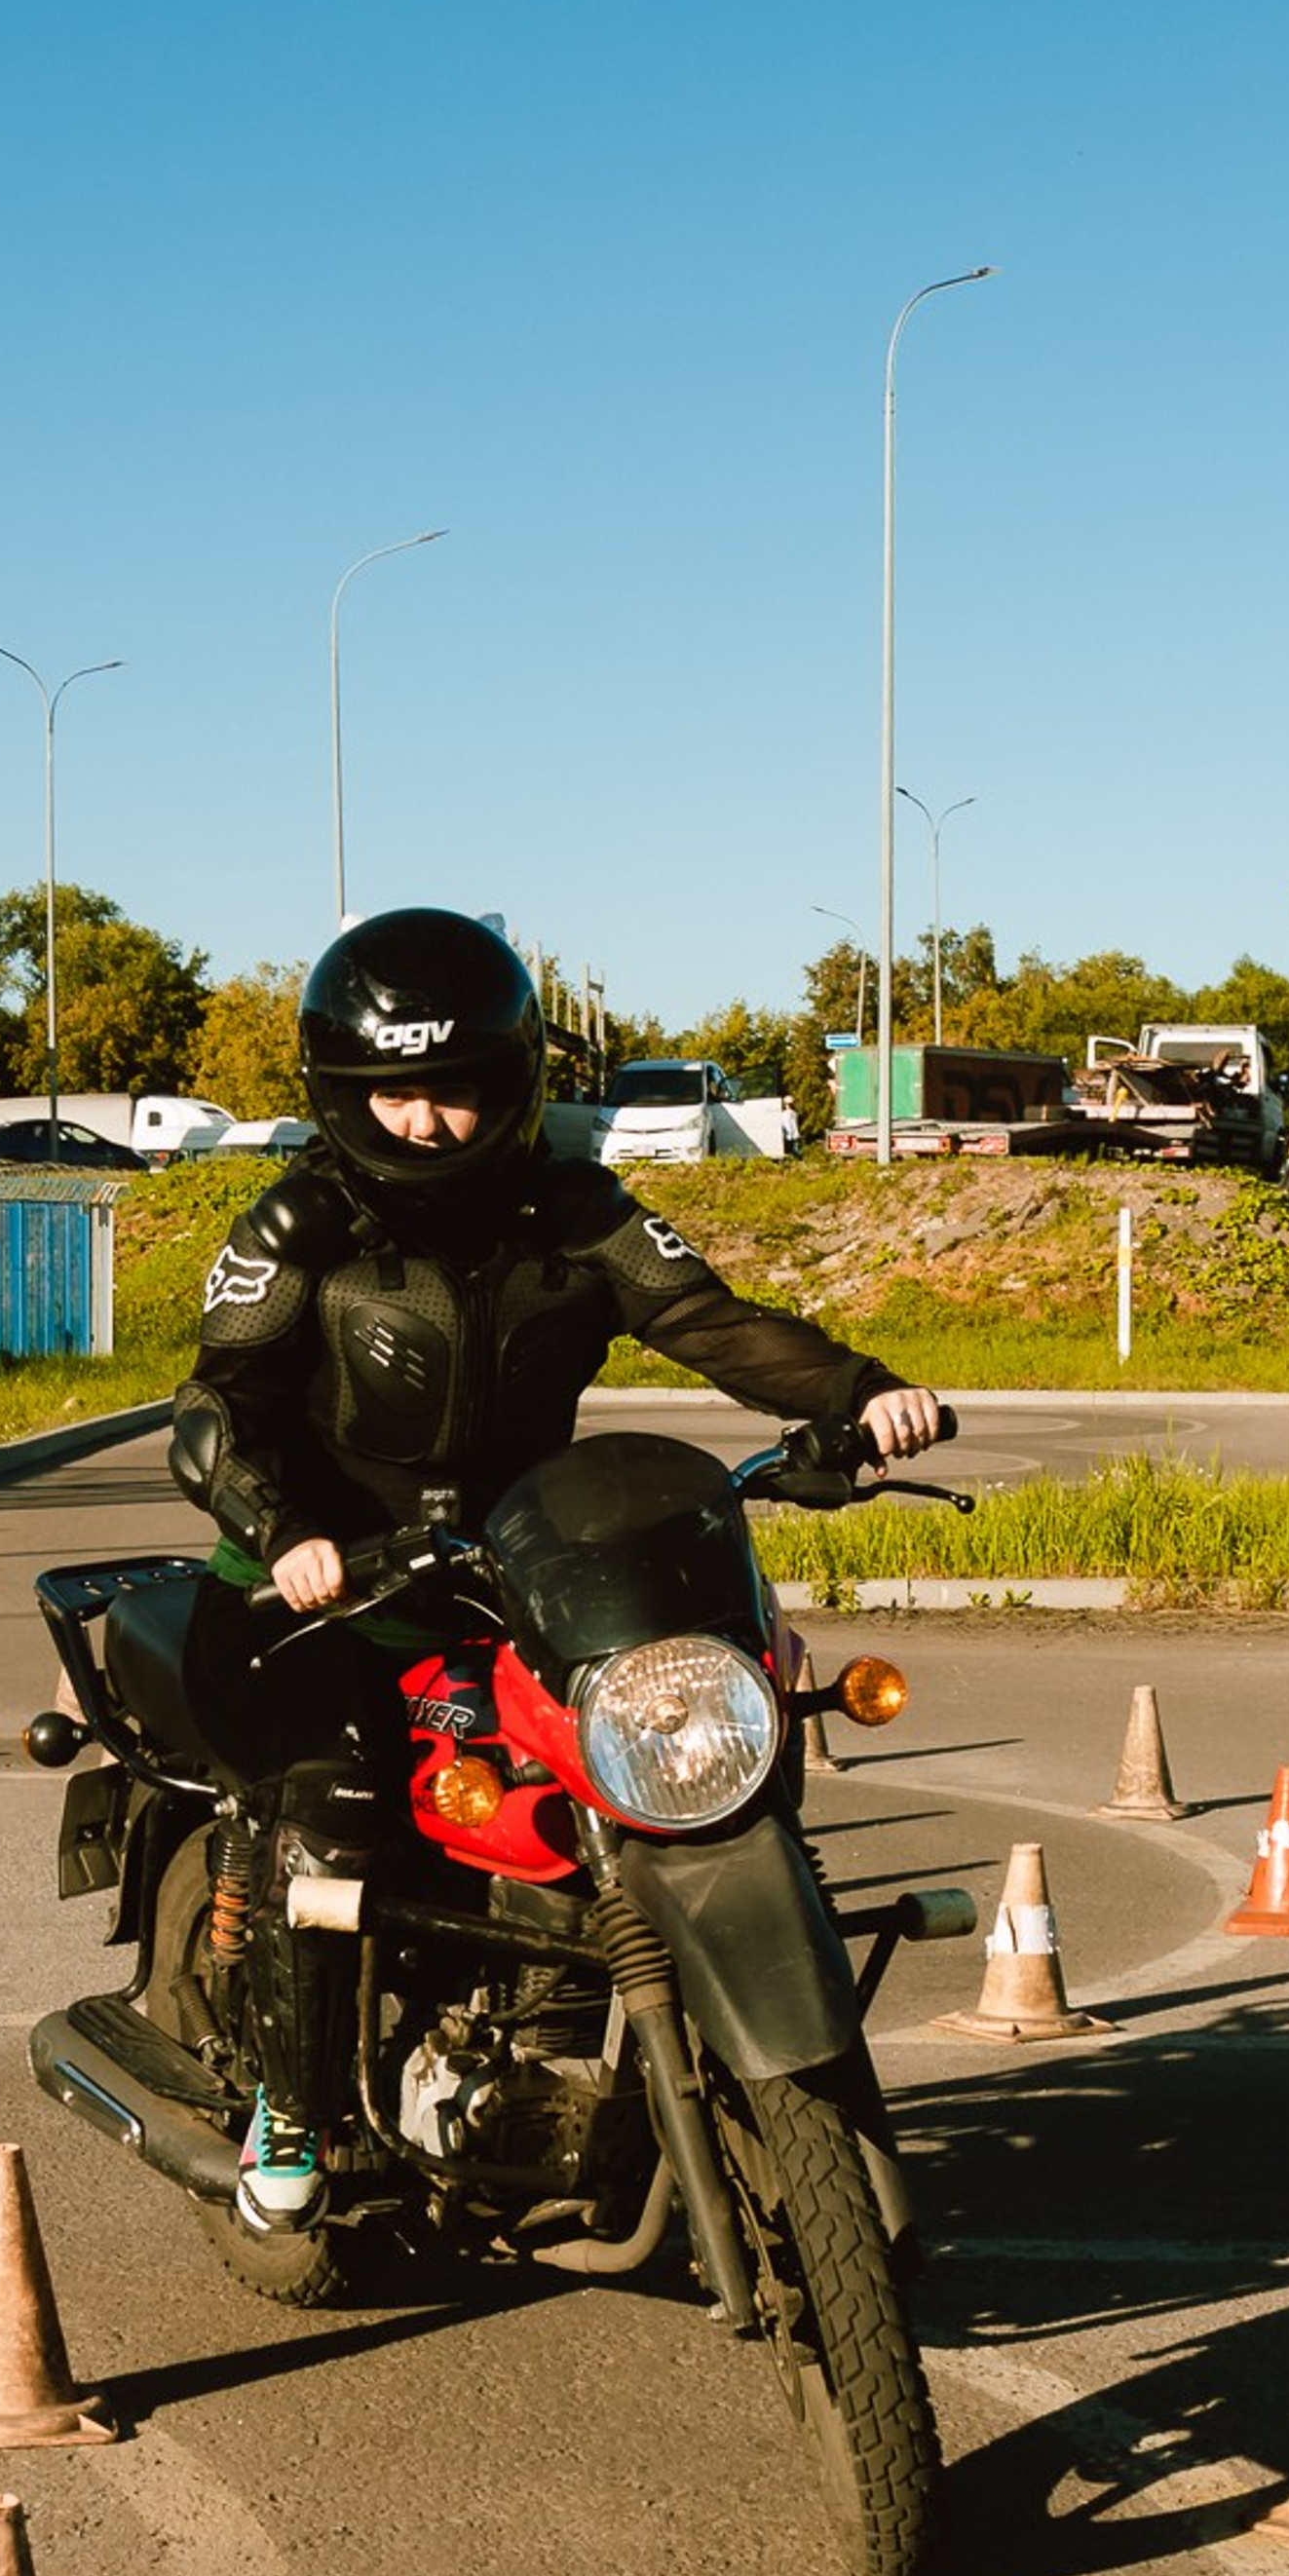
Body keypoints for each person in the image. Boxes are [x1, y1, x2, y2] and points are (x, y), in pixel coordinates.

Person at [168, 907, 941, 2237]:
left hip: (504, 1574)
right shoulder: (300, 1223)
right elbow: (216, 1405)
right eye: (396, 1092)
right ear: (343, 1097)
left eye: (456, 1089)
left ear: (511, 1085)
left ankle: (606, 2035)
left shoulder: (574, 1212)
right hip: (314, 1597)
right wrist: (284, 1529)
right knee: (339, 1805)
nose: (426, 1122)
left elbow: (710, 1323)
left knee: (648, 1758)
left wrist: (860, 1394)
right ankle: (291, 2110)